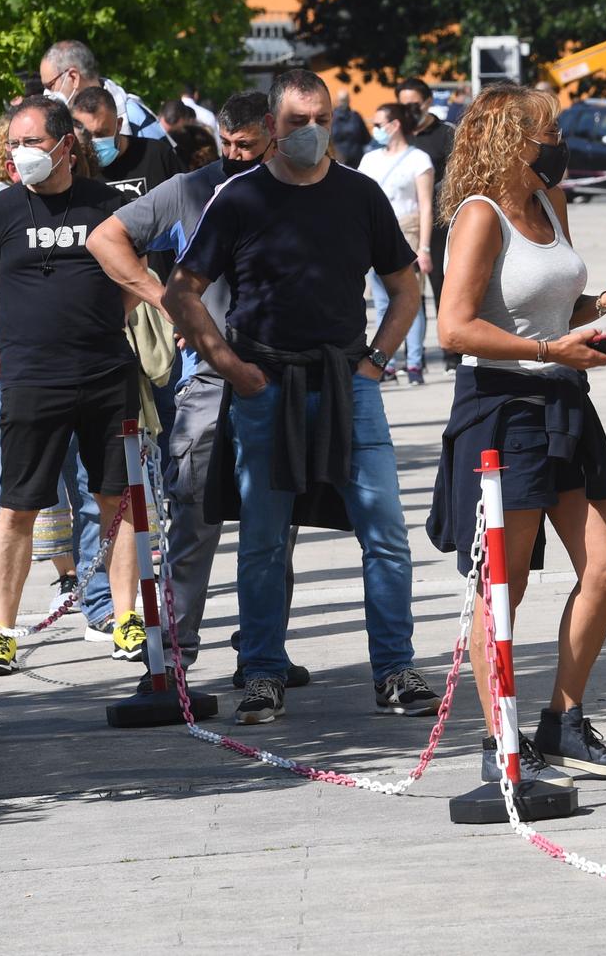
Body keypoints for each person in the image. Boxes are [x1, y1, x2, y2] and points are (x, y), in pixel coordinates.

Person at [167, 69, 440, 726]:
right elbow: (182, 289)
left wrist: (376, 360)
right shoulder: (239, 199)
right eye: (296, 121)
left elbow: (405, 287)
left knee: (387, 535)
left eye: (320, 118)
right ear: (270, 126)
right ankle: (262, 673)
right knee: (262, 537)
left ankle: (395, 669)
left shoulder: (360, 195)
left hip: (350, 385)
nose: (310, 131)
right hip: (265, 387)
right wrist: (229, 364)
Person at [428, 83, 606, 780]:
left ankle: (563, 720)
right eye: (546, 133)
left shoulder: (552, 205)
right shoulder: (480, 215)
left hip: (564, 400)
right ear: (507, 141)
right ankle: (503, 738)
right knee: (505, 584)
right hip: (501, 404)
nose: (558, 143)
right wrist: (548, 351)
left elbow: (557, 304)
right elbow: (453, 326)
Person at [86, 90, 311, 686]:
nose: (235, 156)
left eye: (247, 146)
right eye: (227, 146)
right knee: (191, 518)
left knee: (274, 527)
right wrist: (168, 303)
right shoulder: (191, 188)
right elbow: (106, 238)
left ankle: (263, 652)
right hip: (207, 380)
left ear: (272, 135)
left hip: (276, 375)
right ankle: (175, 652)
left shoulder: (299, 186)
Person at [0, 98, 143, 678]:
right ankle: (0, 633)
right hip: (32, 382)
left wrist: (103, 321)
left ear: (64, 144)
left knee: (118, 500)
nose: (18, 155)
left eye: (30, 142)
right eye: (13, 144)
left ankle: (125, 618)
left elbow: (136, 282)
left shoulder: (110, 206)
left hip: (106, 375)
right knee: (17, 507)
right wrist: (8, 353)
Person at [359, 101, 436, 384]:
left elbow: (426, 206)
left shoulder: (419, 159)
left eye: (379, 125)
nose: (375, 130)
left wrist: (424, 247)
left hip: (409, 232)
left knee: (409, 299)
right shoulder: (369, 160)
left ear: (395, 125)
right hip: (375, 234)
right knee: (381, 303)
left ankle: (414, 363)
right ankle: (386, 360)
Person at [396, 78, 457, 369]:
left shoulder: (446, 134)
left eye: (414, 104)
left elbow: (459, 177)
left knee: (443, 287)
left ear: (428, 102)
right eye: (403, 104)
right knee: (408, 291)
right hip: (406, 225)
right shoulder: (399, 135)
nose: (409, 110)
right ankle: (413, 355)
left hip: (440, 225)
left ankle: (451, 352)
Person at [72, 87, 183, 202]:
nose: (94, 141)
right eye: (87, 135)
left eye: (102, 134)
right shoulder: (76, 167)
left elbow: (187, 200)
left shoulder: (157, 155)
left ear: (119, 125)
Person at [38, 40, 163, 140]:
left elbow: (165, 165)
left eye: (50, 85)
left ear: (73, 77)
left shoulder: (134, 117)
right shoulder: (65, 124)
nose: (47, 94)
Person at [330, 87, 369, 167]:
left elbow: (366, 138)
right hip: (337, 160)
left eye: (345, 99)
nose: (343, 102)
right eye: (341, 100)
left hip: (356, 160)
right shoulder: (330, 118)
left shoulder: (356, 117)